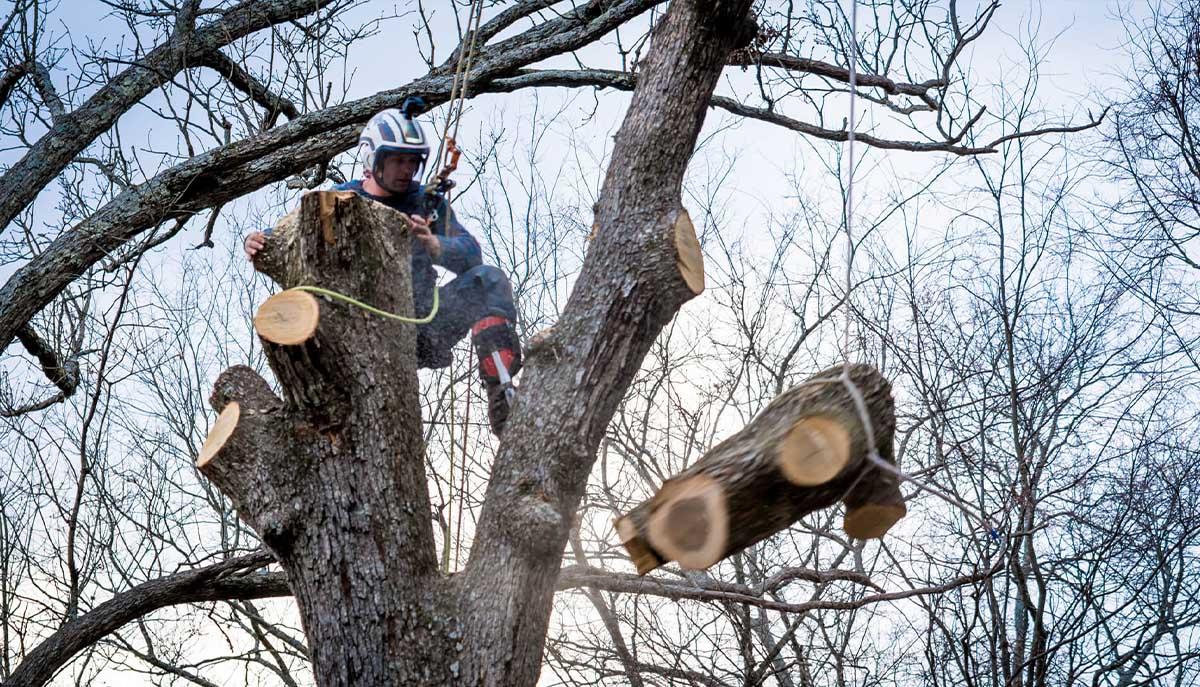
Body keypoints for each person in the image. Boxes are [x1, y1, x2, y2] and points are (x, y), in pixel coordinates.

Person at [244, 106, 522, 435]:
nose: (407, 170)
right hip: (360, 330)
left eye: (413, 161)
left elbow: (471, 252)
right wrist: (259, 240)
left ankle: (501, 392)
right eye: (397, 160)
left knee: (488, 281)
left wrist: (435, 246)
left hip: (423, 325)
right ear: (373, 158)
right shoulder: (339, 199)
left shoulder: (425, 203)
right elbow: (287, 236)